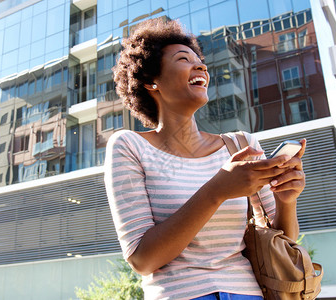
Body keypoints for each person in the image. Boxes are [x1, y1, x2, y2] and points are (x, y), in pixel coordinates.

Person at [104, 18, 306, 300]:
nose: (201, 66)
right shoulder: (129, 146)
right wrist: (218, 190)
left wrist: (287, 200)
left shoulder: (241, 145)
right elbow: (142, 260)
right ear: (151, 82)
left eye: (200, 61)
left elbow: (284, 239)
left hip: (248, 293)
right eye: (184, 59)